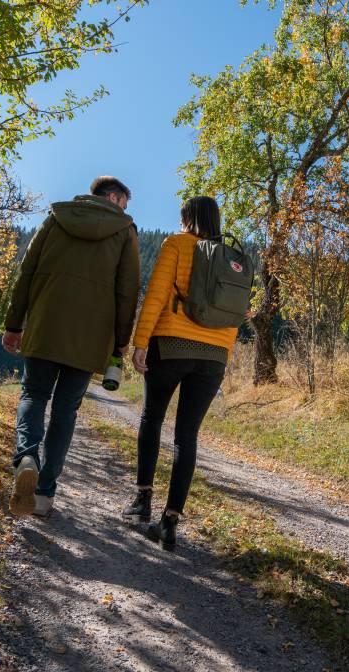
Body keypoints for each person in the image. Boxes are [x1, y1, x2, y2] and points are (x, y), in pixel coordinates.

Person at [3, 176, 140, 517]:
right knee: (65, 411)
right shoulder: (124, 231)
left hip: (45, 324)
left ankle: (27, 456)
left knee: (34, 395)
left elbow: (27, 272)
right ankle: (45, 494)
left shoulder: (56, 217)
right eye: (124, 204)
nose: (124, 211)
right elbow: (127, 291)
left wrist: (13, 324)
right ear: (113, 197)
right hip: (90, 336)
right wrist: (121, 342)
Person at [122, 196, 238, 548]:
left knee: (152, 419)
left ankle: (143, 501)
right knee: (187, 436)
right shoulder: (231, 257)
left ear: (187, 218)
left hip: (170, 345)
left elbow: (156, 296)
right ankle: (170, 522)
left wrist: (141, 342)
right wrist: (223, 356)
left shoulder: (176, 244)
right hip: (214, 356)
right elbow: (233, 314)